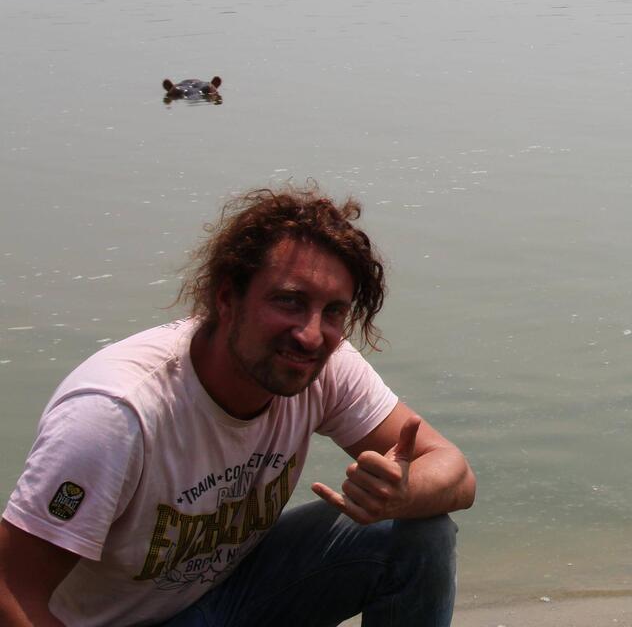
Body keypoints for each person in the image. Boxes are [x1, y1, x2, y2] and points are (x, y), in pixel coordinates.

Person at [0, 186, 475, 626]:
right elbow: (10, 586)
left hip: (229, 596)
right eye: (289, 301)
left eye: (333, 311)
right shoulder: (117, 414)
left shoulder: (325, 366)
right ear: (227, 297)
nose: (312, 335)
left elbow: (456, 473)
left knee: (417, 534)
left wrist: (402, 493)